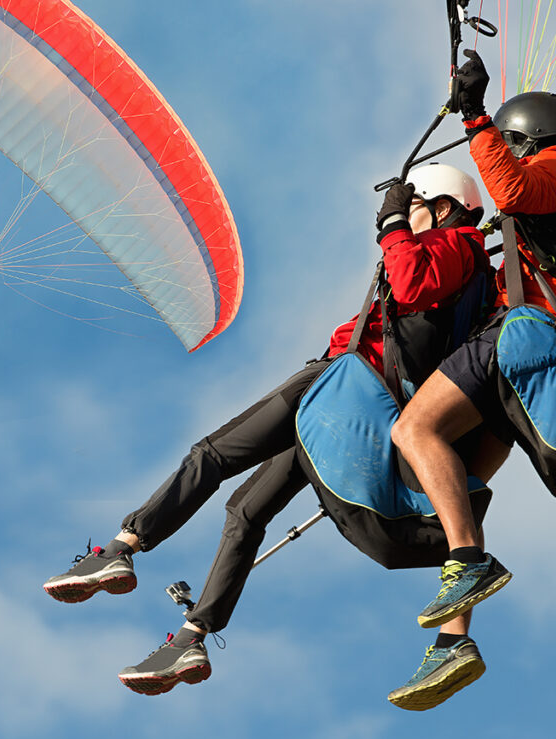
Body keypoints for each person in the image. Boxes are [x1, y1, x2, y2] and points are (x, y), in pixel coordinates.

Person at [44, 165, 501, 708]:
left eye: (415, 204)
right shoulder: (471, 267)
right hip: (352, 403)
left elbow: (408, 282)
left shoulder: (458, 244)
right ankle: (192, 639)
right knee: (247, 511)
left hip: (341, 383)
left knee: (211, 454)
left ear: (442, 208)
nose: (404, 213)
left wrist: (394, 225)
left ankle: (124, 546)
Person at [391, 50, 556, 634]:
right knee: (459, 485)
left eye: (510, 143)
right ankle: (454, 641)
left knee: (414, 430)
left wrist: (475, 117)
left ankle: (469, 563)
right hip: (546, 350)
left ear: (529, 140)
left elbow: (513, 189)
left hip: (530, 336)